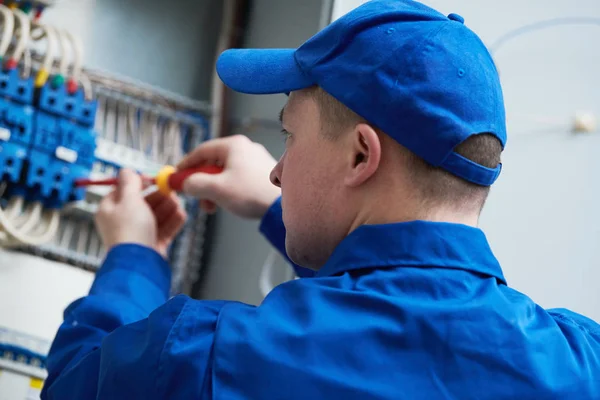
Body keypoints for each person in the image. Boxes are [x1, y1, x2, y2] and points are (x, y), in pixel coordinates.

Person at [41, 0, 600, 399]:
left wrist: (133, 256)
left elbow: (74, 382)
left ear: (361, 156)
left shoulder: (207, 356)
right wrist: (277, 210)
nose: (278, 172)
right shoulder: (583, 362)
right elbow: (391, 322)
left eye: (289, 135)